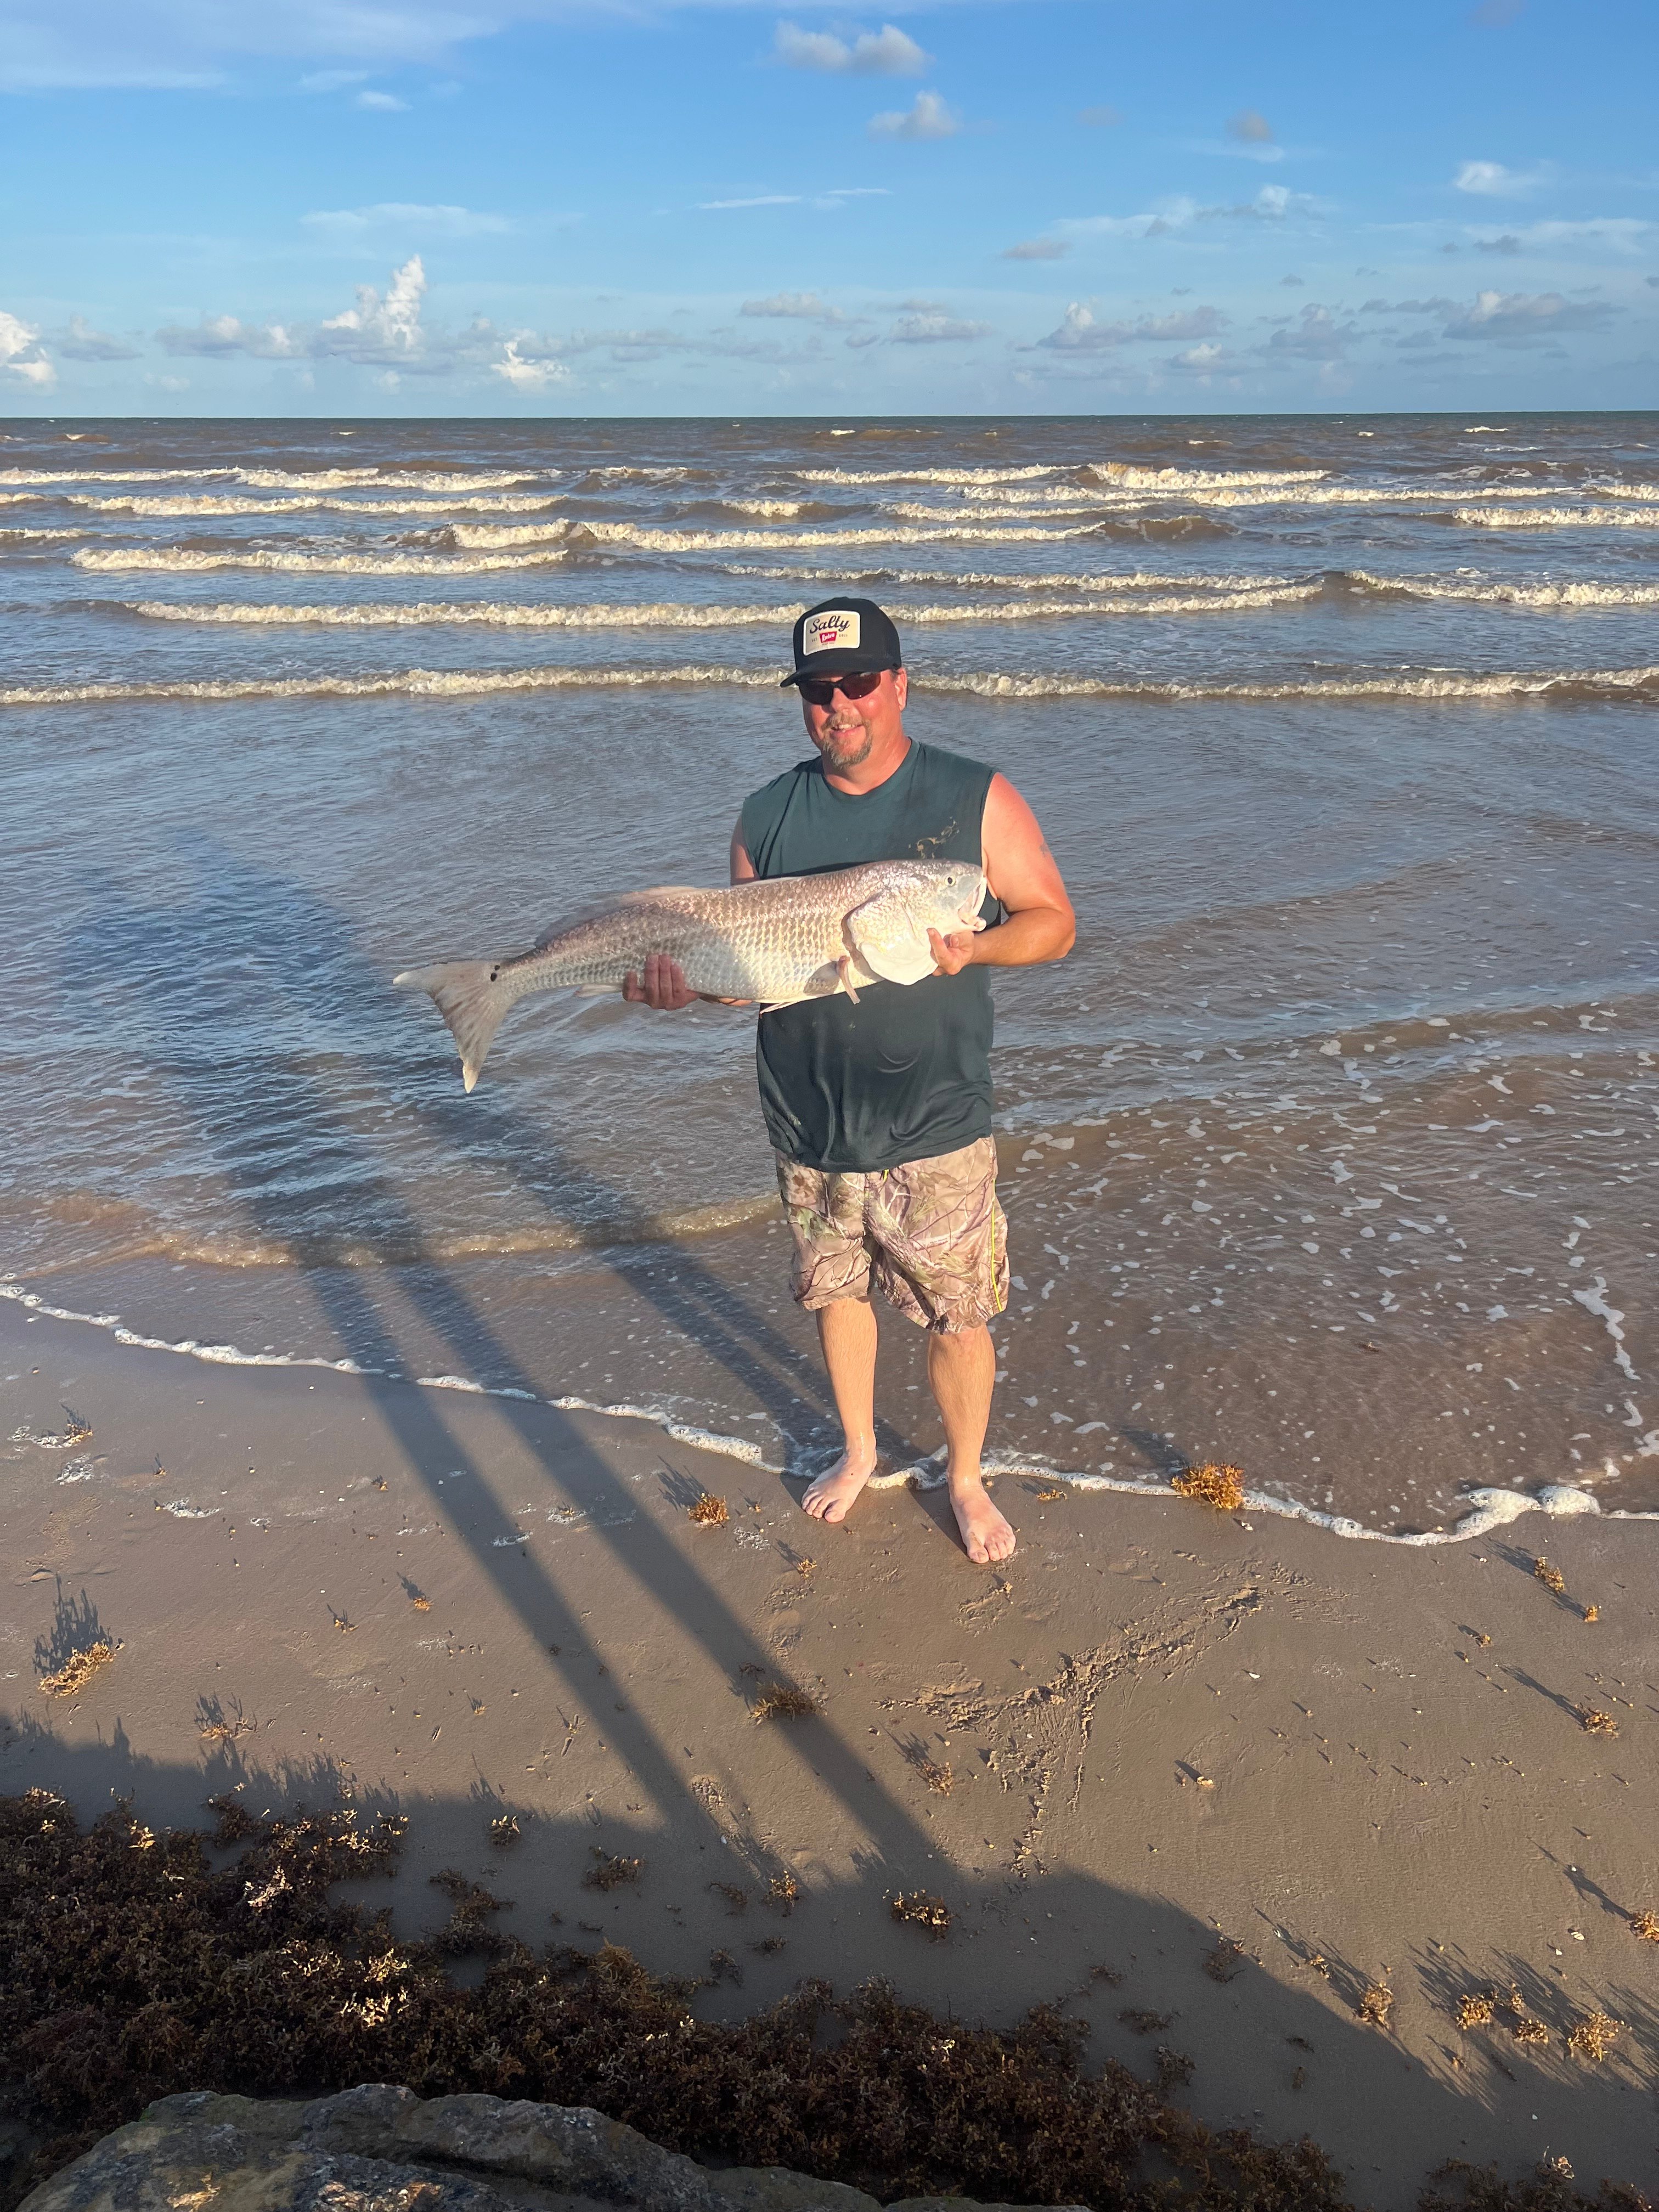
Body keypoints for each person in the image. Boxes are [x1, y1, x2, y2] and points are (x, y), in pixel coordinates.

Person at [624, 597, 1074, 1564]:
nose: (840, 707)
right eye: (819, 691)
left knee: (957, 1309)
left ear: (900, 684)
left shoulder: (976, 796)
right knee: (836, 1294)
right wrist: (684, 989)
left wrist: (978, 948)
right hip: (809, 1115)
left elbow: (1054, 921)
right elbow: (752, 980)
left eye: (858, 683)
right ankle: (860, 1448)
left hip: (938, 1114)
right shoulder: (767, 816)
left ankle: (964, 1478)